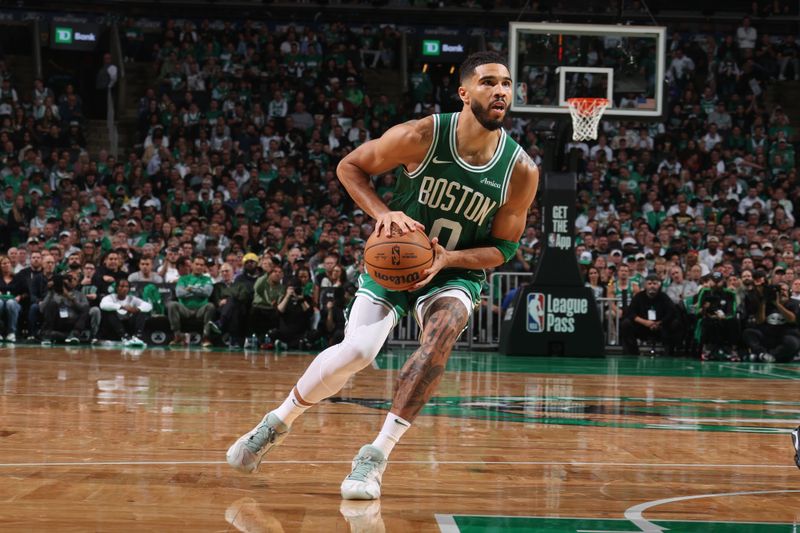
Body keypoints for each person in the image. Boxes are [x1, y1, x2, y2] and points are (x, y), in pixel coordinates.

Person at [226, 51, 539, 500]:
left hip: (452, 272)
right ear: (464, 91)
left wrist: (448, 260)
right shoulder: (424, 135)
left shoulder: (520, 170)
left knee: (441, 336)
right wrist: (384, 213)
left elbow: (505, 247)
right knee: (358, 351)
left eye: (507, 84)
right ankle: (277, 422)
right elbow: (349, 167)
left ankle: (374, 457)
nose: (501, 92)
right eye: (489, 82)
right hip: (394, 262)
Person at [620, 274, 680, 356]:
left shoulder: (664, 297)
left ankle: (669, 353)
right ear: (645, 285)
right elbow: (631, 313)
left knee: (675, 323)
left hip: (660, 327)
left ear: (659, 285)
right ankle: (632, 353)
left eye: (654, 284)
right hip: (642, 327)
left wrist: (659, 323)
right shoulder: (639, 297)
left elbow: (672, 312)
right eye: (649, 284)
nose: (652, 286)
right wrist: (645, 322)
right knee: (626, 324)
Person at [167, 256, 215, 347]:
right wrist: (199, 290)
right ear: (192, 265)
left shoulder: (207, 279)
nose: (199, 267)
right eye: (197, 264)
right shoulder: (183, 279)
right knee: (172, 305)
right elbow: (179, 293)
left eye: (201, 265)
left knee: (211, 306)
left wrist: (191, 289)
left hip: (201, 309)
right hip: (185, 309)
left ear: (204, 267)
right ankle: (177, 336)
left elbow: (207, 293)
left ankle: (206, 337)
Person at [99, 279, 152, 346]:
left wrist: (137, 309)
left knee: (142, 311)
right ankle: (124, 337)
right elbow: (103, 305)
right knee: (109, 313)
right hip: (114, 327)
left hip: (128, 325)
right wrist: (122, 307)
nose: (124, 289)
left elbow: (148, 306)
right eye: (121, 286)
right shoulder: (110, 297)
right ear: (117, 288)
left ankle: (137, 337)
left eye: (126, 287)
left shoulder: (132, 298)